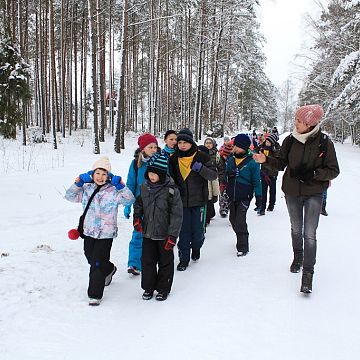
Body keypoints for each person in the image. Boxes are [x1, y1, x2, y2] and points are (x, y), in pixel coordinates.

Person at [253, 104, 340, 293]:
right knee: (296, 228)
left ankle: (308, 274)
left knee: (309, 233)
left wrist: (314, 173)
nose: (296, 123)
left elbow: (334, 170)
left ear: (310, 123)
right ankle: (298, 257)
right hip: (292, 191)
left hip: (314, 192)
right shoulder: (290, 140)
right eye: (296, 120)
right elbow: (281, 163)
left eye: (300, 121)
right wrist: (265, 160)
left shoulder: (324, 142)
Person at [65, 156, 135, 306]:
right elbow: (69, 196)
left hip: (106, 233)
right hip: (89, 231)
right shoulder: (86, 188)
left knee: (96, 263)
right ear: (92, 174)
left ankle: (94, 294)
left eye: (104, 174)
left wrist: (121, 186)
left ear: (109, 176)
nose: (100, 177)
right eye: (97, 173)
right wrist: (77, 183)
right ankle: (109, 268)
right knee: (90, 257)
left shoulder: (114, 191)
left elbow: (129, 200)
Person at [133, 153, 183, 301]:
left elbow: (177, 215)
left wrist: (173, 236)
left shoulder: (171, 191)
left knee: (165, 262)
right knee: (147, 261)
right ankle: (148, 287)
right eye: (150, 173)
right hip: (148, 233)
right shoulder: (144, 188)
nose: (152, 176)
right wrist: (137, 219)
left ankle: (163, 288)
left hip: (165, 234)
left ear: (162, 174)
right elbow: (138, 205)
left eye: (155, 174)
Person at [169, 128, 217, 271]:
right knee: (183, 233)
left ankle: (196, 248)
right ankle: (184, 258)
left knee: (197, 233)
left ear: (191, 143)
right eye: (180, 142)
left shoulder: (202, 157)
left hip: (199, 202)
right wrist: (173, 190)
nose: (182, 145)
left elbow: (213, 175)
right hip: (181, 203)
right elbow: (169, 178)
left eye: (185, 142)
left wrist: (201, 168)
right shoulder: (173, 159)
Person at [124, 133, 159, 275]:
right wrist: (127, 204)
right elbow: (130, 184)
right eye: (150, 147)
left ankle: (152, 260)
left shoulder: (161, 161)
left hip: (157, 203)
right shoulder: (135, 164)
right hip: (140, 204)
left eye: (155, 147)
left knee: (154, 234)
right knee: (138, 232)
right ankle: (134, 263)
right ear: (142, 148)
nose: (154, 149)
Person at [224, 134, 262, 257]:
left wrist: (259, 197)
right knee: (232, 219)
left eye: (236, 146)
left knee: (240, 220)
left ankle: (242, 246)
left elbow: (257, 180)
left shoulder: (252, 162)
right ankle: (240, 236)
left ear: (243, 147)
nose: (233, 147)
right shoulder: (231, 159)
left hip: (245, 195)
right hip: (232, 194)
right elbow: (225, 176)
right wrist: (229, 174)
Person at [256, 133, 280, 215]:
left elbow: (277, 160)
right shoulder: (262, 147)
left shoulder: (276, 149)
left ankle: (271, 204)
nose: (267, 143)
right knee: (263, 190)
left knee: (272, 190)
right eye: (267, 141)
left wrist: (273, 150)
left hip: (272, 173)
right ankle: (262, 207)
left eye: (269, 142)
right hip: (263, 172)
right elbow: (255, 151)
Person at [218, 137, 234, 217]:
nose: (225, 157)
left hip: (231, 179)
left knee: (230, 194)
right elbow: (219, 168)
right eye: (224, 155)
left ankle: (231, 209)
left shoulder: (232, 159)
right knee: (222, 194)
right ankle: (223, 209)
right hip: (222, 178)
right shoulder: (220, 157)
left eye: (226, 155)